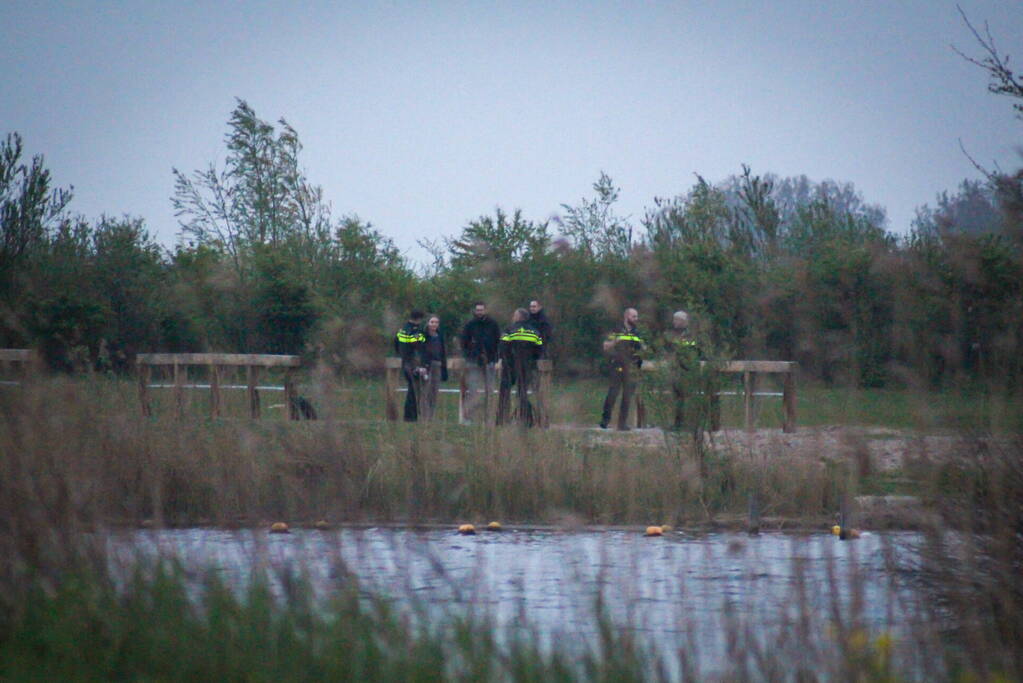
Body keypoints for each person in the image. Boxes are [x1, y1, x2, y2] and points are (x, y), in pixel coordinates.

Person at [496, 308, 544, 427]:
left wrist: (503, 361)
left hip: (510, 366)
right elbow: (539, 350)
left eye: (514, 315)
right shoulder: (535, 332)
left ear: (518, 317)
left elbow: (503, 348)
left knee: (504, 393)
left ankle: (502, 419)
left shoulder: (509, 330)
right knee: (522, 393)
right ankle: (525, 419)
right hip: (527, 366)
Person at [600, 307, 645, 431]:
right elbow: (606, 346)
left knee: (627, 395)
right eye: (634, 316)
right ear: (626, 316)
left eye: (637, 316)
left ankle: (622, 423)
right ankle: (605, 419)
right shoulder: (616, 329)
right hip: (617, 365)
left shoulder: (637, 332)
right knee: (613, 392)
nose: (636, 319)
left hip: (631, 367)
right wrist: (616, 341)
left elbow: (642, 348)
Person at [459, 302, 501, 423]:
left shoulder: (493, 324)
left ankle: (488, 418)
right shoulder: (470, 325)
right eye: (477, 310)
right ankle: (470, 417)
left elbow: (498, 341)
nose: (479, 312)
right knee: (473, 390)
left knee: (490, 390)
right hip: (473, 362)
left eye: (481, 310)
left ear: (485, 310)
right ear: (475, 311)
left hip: (490, 361)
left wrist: (495, 357)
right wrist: (469, 355)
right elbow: (464, 342)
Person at [667, 310, 701, 430]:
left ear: (683, 321)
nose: (674, 322)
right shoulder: (674, 335)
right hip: (676, 371)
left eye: (676, 320)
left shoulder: (690, 335)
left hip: (686, 371)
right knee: (677, 399)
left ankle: (688, 424)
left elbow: (692, 352)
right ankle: (677, 423)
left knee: (686, 398)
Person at [394, 310, 427, 422]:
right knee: (414, 391)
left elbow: (396, 344)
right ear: (419, 319)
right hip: (413, 363)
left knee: (411, 389)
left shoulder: (402, 329)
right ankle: (411, 417)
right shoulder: (415, 331)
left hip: (405, 361)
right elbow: (418, 346)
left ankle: (409, 416)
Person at [421, 315, 449, 420]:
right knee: (425, 391)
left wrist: (444, 368)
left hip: (438, 364)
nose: (434, 324)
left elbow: (443, 352)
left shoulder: (440, 336)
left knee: (434, 391)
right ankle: (425, 416)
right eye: (432, 322)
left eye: (436, 322)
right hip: (426, 365)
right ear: (428, 323)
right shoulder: (423, 335)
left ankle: (431, 416)